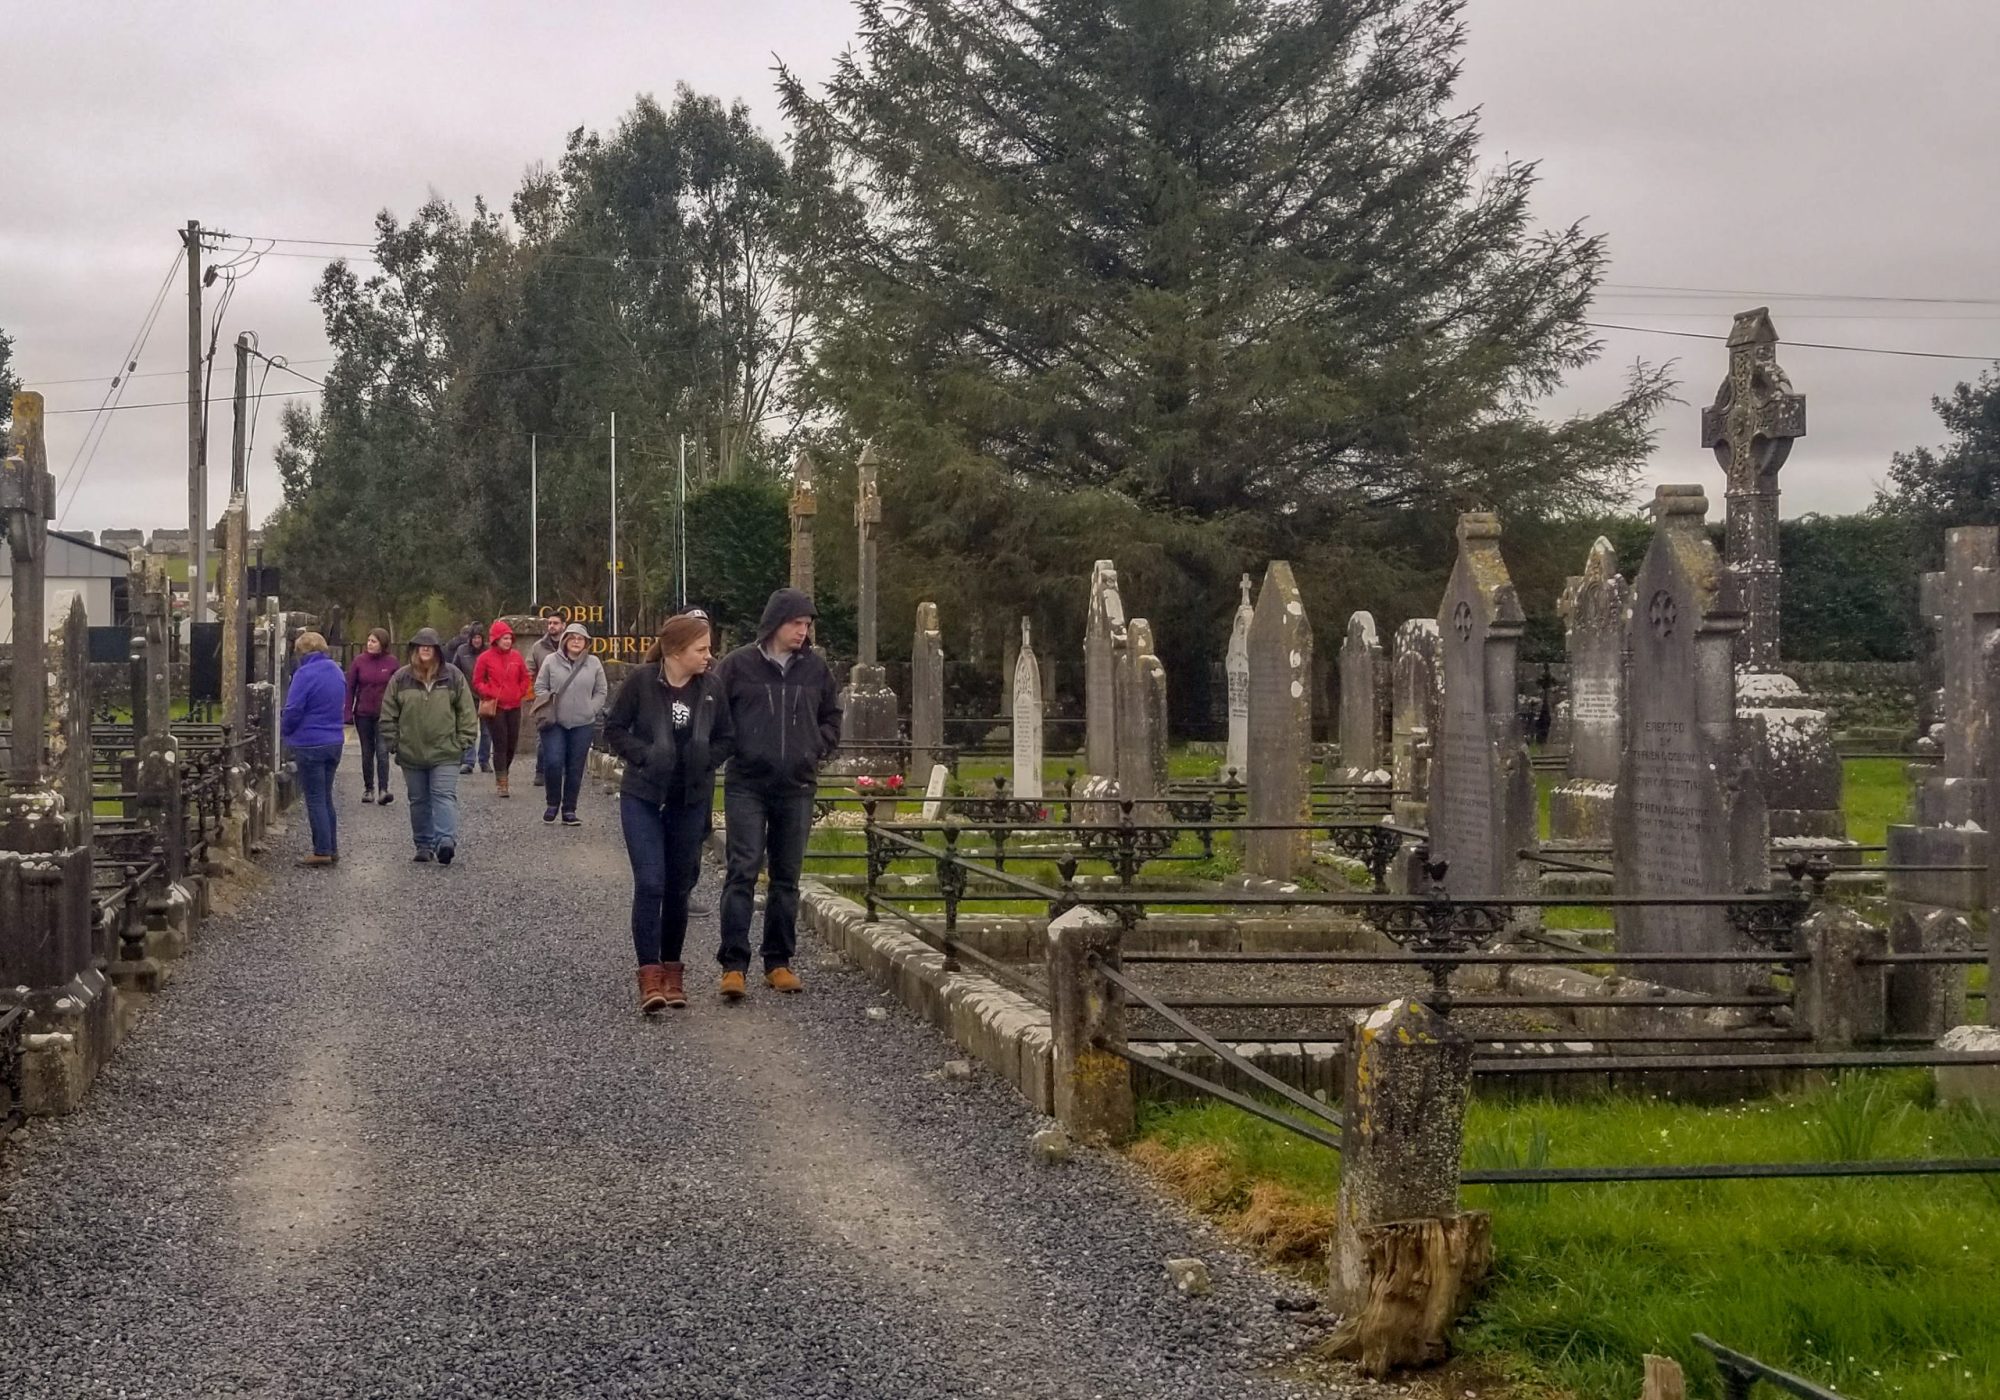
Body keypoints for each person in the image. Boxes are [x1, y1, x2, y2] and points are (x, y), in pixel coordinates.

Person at [711, 588, 840, 999]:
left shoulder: (815, 670)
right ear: (775, 623)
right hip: (747, 783)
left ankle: (778, 961)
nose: (802, 632)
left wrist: (815, 746)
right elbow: (715, 714)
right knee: (742, 870)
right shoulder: (737, 666)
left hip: (797, 786)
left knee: (787, 876)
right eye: (796, 624)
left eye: (807, 625)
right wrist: (734, 748)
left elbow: (832, 715)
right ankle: (733, 965)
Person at [606, 613, 733, 1013]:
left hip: (689, 799)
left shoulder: (711, 688)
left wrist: (705, 759)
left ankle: (672, 970)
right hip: (643, 795)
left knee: (679, 886)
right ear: (676, 651)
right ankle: (649, 975)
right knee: (651, 882)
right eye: (701, 649)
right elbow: (614, 729)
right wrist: (645, 756)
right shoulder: (642, 683)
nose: (708, 656)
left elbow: (728, 736)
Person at [379, 627, 479, 865]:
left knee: (443, 795)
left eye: (430, 646)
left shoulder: (452, 676)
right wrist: (394, 742)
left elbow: (466, 711)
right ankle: (423, 844)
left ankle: (445, 841)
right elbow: (388, 713)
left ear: (437, 650)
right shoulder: (401, 678)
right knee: (418, 799)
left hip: (446, 751)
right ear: (414, 650)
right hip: (411, 752)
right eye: (420, 646)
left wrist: (463, 741)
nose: (425, 650)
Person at [281, 630, 346, 868]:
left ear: (302, 652)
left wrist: (286, 730)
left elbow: (294, 709)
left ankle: (322, 850)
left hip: (310, 741)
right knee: (326, 796)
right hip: (334, 740)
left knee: (315, 798)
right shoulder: (336, 671)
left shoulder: (304, 674)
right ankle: (332, 846)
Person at [534, 622, 609, 826]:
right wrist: (548, 702)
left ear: (586, 643)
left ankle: (569, 809)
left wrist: (591, 709)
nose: (576, 641)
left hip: (583, 723)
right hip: (555, 722)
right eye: (572, 637)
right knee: (554, 761)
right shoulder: (550, 661)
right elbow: (540, 686)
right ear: (565, 640)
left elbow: (601, 690)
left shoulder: (594, 663)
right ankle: (552, 803)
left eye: (580, 638)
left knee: (575, 767)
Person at [472, 620, 534, 797]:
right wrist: (489, 691)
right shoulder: (485, 658)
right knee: (500, 743)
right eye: (504, 638)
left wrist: (520, 692)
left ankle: (503, 771)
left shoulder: (516, 657)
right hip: (495, 706)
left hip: (514, 705)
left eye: (509, 638)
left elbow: (525, 678)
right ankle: (502, 782)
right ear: (496, 640)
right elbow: (477, 681)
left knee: (511, 743)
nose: (507, 641)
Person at [345, 628, 399, 806]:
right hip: (363, 713)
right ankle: (369, 788)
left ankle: (384, 789)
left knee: (383, 752)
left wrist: (399, 713)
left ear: (382, 644)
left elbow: (399, 690)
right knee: (367, 752)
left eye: (374, 641)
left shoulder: (392, 663)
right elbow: (350, 687)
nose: (369, 644)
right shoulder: (359, 661)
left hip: (385, 714)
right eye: (368, 640)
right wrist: (347, 712)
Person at [527, 614, 567, 788]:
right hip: (546, 699)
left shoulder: (572, 645)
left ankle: (565, 770)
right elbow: (529, 669)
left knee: (568, 733)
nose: (552, 626)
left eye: (555, 623)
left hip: (569, 697)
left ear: (564, 625)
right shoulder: (538, 647)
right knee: (543, 736)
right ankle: (540, 771)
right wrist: (538, 693)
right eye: (549, 623)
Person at [448, 623, 491, 773]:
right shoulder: (461, 651)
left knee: (486, 731)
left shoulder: (489, 652)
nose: (477, 640)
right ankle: (468, 761)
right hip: (468, 695)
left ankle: (484, 760)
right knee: (469, 729)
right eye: (474, 637)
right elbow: (454, 670)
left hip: (486, 696)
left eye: (479, 637)